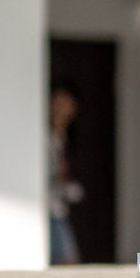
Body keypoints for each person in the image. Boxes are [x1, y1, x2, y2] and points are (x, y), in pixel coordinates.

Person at [48, 78, 84, 265]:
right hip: (48, 211)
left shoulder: (63, 138)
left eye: (65, 105)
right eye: (56, 104)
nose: (59, 110)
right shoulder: (45, 138)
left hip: (58, 209)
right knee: (67, 264)